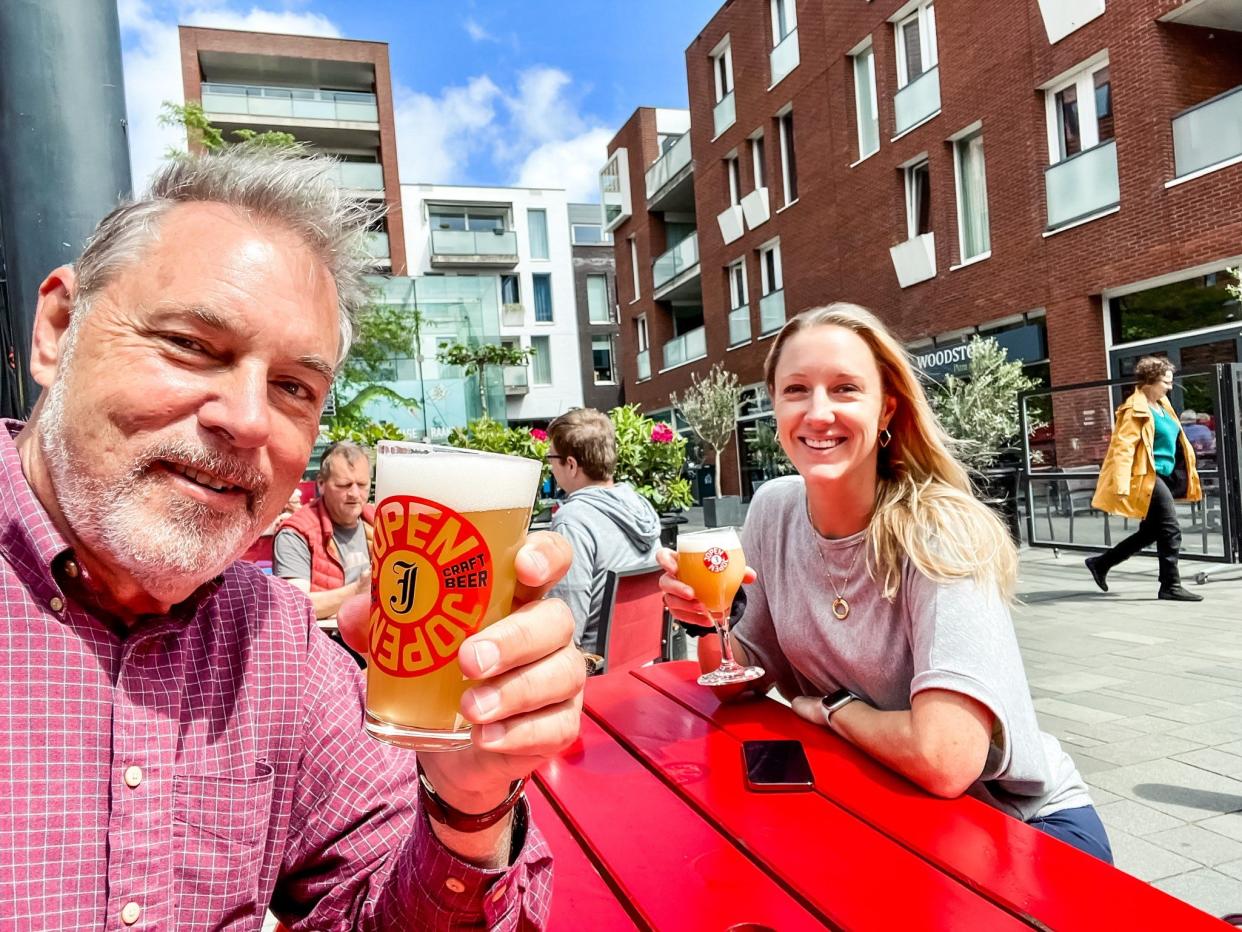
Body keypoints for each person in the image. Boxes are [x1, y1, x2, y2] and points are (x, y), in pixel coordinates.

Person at [1, 146, 583, 929]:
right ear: (58, 330)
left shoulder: (277, 644)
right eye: (191, 345)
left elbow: (380, 906)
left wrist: (467, 803)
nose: (245, 420)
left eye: (293, 388)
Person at [659, 303, 1112, 863]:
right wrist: (706, 619)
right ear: (774, 406)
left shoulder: (936, 530)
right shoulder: (773, 510)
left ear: (885, 410)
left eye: (845, 388)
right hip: (885, 805)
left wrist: (830, 709)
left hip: (1018, 828)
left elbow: (945, 757)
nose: (818, 412)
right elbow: (740, 679)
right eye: (796, 389)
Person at [545, 408, 662, 655]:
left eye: (551, 459)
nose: (551, 468)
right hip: (644, 663)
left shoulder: (573, 521)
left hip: (591, 671)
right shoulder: (640, 507)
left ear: (571, 464)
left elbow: (565, 625)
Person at [1087, 356, 1203, 602]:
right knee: (1171, 528)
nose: (1170, 387)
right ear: (1150, 381)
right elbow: (1123, 447)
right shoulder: (1135, 409)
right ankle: (1170, 585)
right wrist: (1119, 482)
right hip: (1147, 476)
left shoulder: (1163, 405)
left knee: (1152, 531)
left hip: (1167, 475)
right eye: (1166, 382)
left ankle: (1101, 563)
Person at [274, 439, 374, 620]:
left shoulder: (379, 521)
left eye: (362, 485)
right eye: (344, 485)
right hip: (328, 641)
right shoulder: (296, 533)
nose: (354, 494)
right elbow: (294, 605)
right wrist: (358, 590)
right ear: (321, 484)